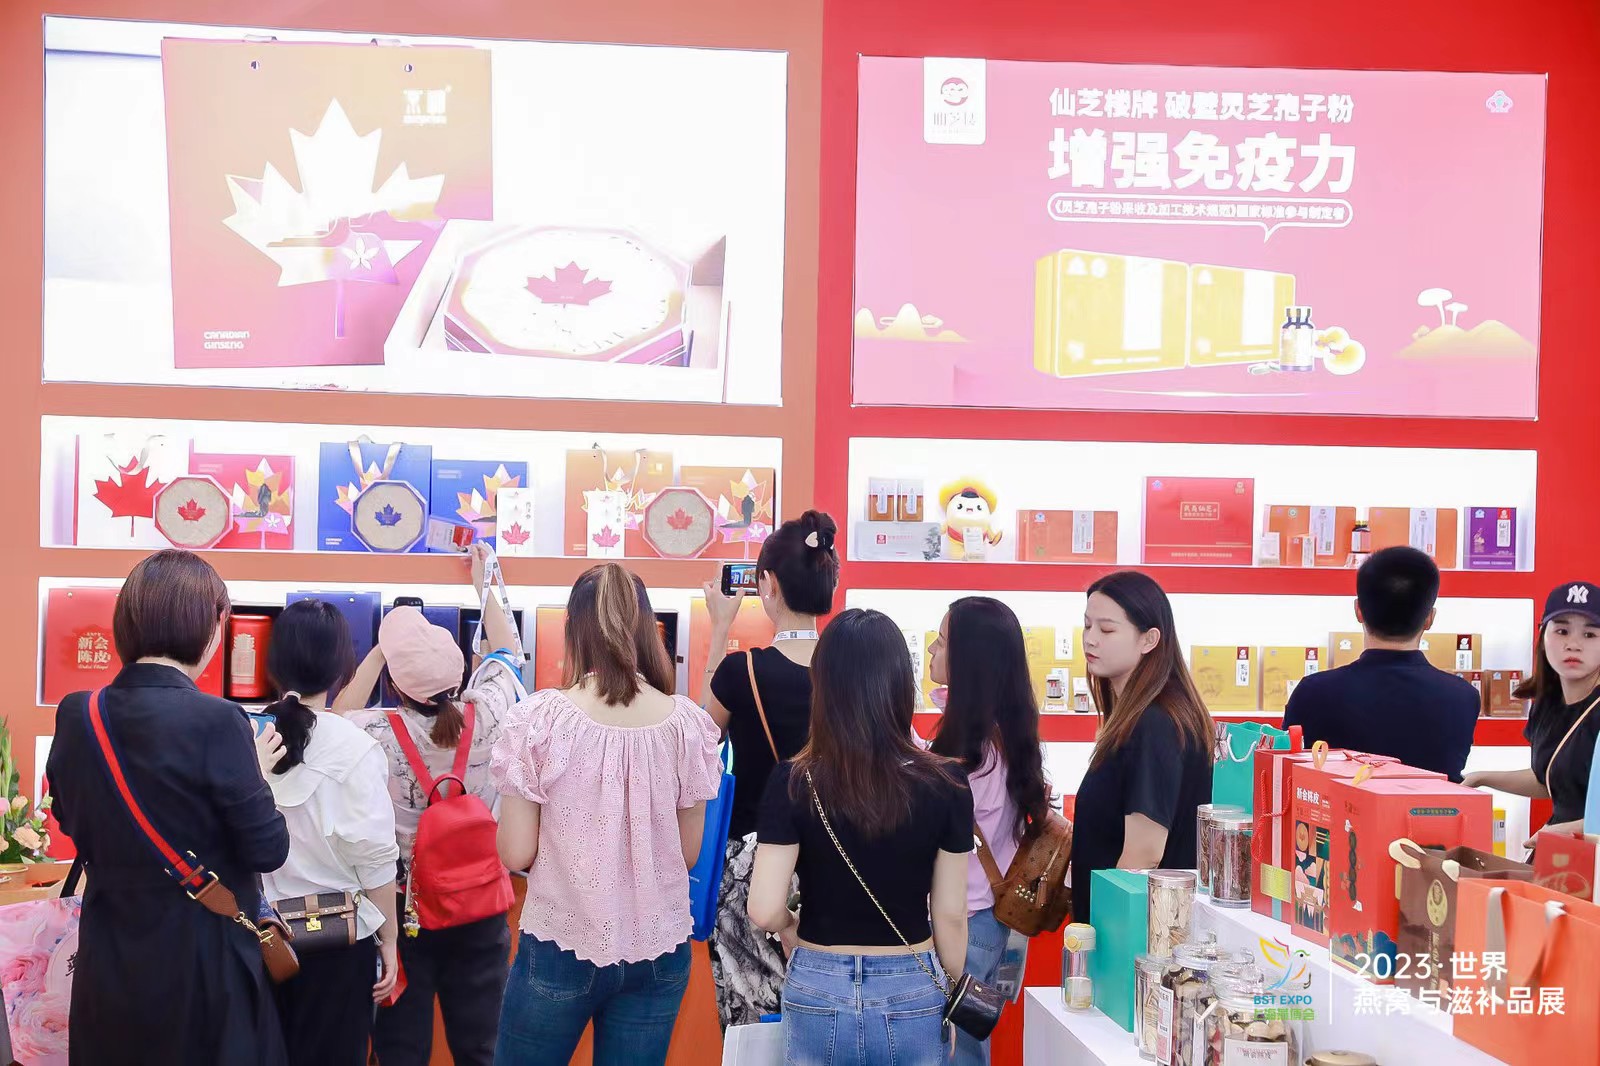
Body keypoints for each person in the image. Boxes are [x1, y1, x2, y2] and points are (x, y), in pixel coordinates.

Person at [45, 550, 291, 1066]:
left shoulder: (78, 713)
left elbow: (69, 818)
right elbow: (267, 848)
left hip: (109, 959)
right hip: (204, 962)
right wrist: (261, 776)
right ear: (212, 625)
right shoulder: (219, 720)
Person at [490, 563, 722, 1065]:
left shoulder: (539, 719)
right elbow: (687, 854)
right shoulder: (687, 725)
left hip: (562, 940)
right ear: (648, 630)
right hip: (660, 945)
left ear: (573, 631)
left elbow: (516, 851)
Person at [749, 608, 972, 1066]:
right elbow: (950, 913)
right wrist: (948, 989)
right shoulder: (947, 782)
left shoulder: (793, 780)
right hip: (911, 982)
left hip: (817, 981)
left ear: (823, 686)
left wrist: (789, 927)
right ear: (900, 684)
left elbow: (764, 907)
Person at [341, 545, 522, 1066]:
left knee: (402, 1050)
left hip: (406, 913)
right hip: (481, 906)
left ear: (396, 685)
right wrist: (485, 578)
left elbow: (331, 721)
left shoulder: (374, 732)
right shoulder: (491, 712)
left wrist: (382, 651)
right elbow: (507, 650)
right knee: (482, 1048)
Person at [701, 510, 838, 1029]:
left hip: (752, 869)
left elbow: (699, 740)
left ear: (769, 585)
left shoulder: (744, 670)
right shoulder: (851, 669)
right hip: (836, 859)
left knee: (750, 1019)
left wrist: (720, 628)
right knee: (826, 1013)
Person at [260, 600, 401, 1065]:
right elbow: (376, 859)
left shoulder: (245, 735)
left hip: (259, 937)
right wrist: (389, 939)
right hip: (337, 942)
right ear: (342, 666)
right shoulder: (356, 747)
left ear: (274, 662)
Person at [927, 597, 1052, 1066]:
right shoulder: (1002, 738)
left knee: (956, 1050)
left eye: (942, 642)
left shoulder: (972, 754)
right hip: (985, 920)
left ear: (970, 661)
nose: (932, 651)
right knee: (966, 1043)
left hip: (963, 920)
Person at [1072, 571, 1214, 924]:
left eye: (1107, 630)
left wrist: (1107, 928)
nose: (1090, 639)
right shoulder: (1142, 716)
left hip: (1136, 929)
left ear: (1149, 639)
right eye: (1087, 626)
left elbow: (1144, 853)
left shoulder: (1154, 723)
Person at [1283, 547, 1480, 781]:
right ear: (1430, 618)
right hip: (1433, 806)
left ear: (1358, 610)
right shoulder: (1463, 696)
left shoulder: (1313, 691)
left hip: (1337, 806)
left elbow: (1287, 771)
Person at [1466, 580, 1600, 844]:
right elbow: (1549, 780)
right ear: (1543, 636)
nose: (1573, 645)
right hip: (1564, 857)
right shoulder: (1547, 703)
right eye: (1562, 631)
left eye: (1590, 635)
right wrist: (1481, 778)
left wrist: (1561, 832)